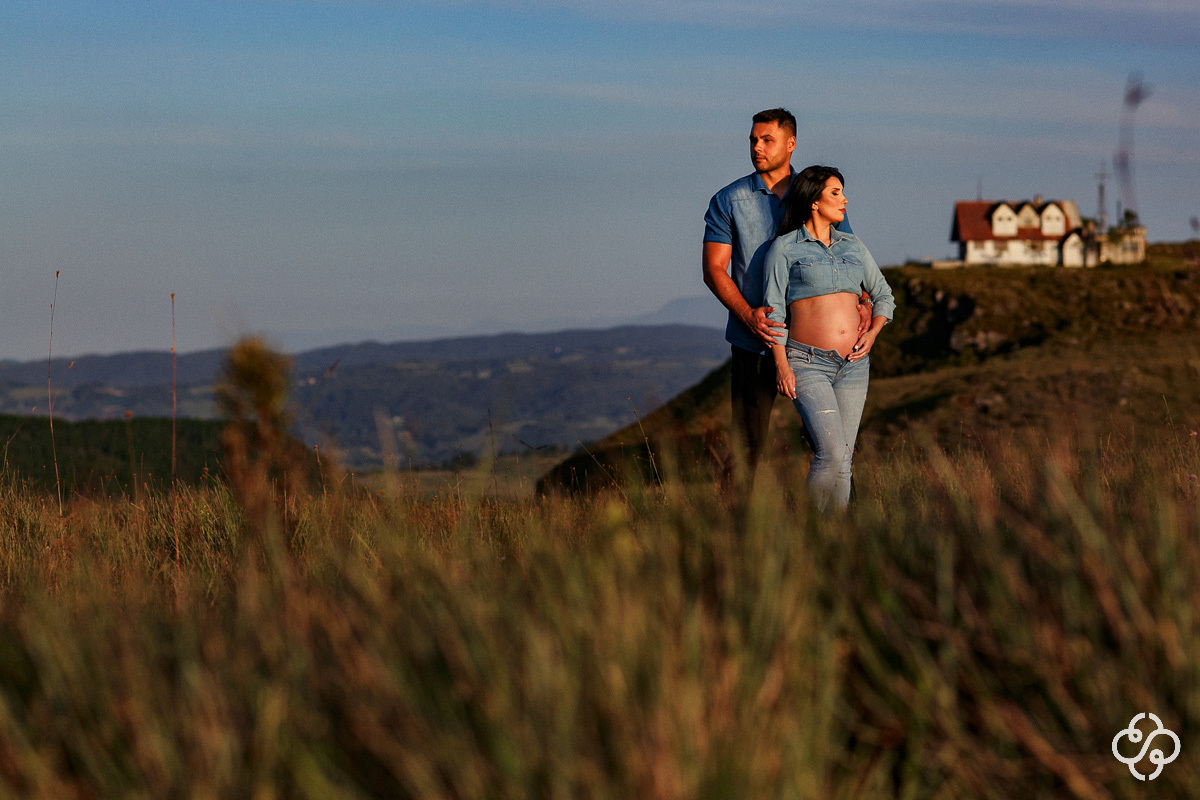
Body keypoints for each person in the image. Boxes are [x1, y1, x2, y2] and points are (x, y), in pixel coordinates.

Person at [702, 109, 867, 489]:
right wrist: (749, 316)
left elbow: (848, 254)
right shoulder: (728, 200)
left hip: (818, 345)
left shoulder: (819, 194)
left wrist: (863, 302)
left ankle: (845, 534)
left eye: (767, 140)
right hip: (755, 343)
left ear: (791, 144)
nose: (757, 148)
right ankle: (734, 540)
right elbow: (714, 269)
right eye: (753, 140)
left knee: (835, 448)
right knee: (746, 449)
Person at [762, 165, 894, 511]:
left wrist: (874, 333)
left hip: (854, 365)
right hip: (806, 363)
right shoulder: (785, 249)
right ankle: (810, 533)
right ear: (813, 202)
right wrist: (781, 365)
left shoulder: (853, 245)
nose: (844, 199)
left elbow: (883, 295)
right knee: (830, 452)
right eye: (835, 192)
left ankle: (834, 543)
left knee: (845, 460)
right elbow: (773, 310)